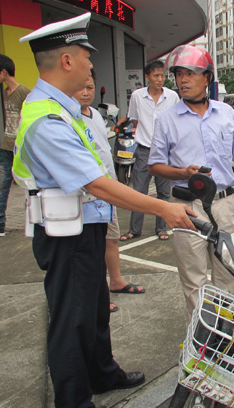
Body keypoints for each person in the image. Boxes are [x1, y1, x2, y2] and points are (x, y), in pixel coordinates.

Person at [13, 13, 196, 408]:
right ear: (65, 61)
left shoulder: (67, 110)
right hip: (66, 234)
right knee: (70, 319)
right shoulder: (47, 118)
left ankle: (101, 373)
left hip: (84, 227)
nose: (90, 66)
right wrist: (162, 208)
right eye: (84, 57)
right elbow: (97, 184)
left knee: (94, 309)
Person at [148, 44, 234, 316]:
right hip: (186, 208)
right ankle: (202, 344)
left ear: (207, 78)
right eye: (179, 74)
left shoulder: (226, 114)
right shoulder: (166, 119)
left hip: (224, 205)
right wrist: (183, 173)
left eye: (191, 73)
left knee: (227, 275)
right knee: (194, 280)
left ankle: (226, 334)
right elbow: (155, 166)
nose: (183, 80)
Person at [74, 69, 145, 311]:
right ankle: (96, 295)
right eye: (81, 88)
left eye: (90, 88)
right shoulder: (67, 117)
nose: (86, 92)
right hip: (88, 195)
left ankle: (115, 281)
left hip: (107, 189)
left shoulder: (94, 114)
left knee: (111, 238)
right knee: (90, 248)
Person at [120, 60, 179, 242]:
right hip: (144, 151)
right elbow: (135, 120)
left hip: (164, 153)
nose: (160, 79)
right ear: (147, 77)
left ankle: (161, 228)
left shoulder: (172, 97)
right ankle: (134, 229)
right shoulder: (137, 96)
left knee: (163, 193)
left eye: (162, 75)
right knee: (138, 192)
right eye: (156, 76)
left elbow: (176, 122)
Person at [0, 55, 30, 237]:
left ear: (3, 72)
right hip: (6, 147)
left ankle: (35, 221)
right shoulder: (5, 92)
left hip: (21, 149)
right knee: (1, 186)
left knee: (29, 186)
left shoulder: (24, 93)